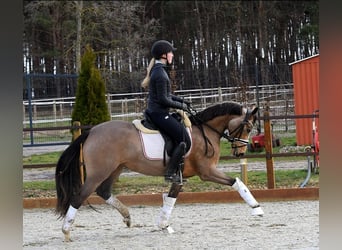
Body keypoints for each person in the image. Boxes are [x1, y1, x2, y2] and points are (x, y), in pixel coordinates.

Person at [141, 40, 191, 183]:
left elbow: (167, 95)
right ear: (164, 55)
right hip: (159, 114)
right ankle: (170, 173)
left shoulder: (158, 71)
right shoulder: (161, 74)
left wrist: (182, 101)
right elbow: (164, 100)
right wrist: (181, 107)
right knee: (184, 138)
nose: (172, 55)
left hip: (156, 112)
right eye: (170, 53)